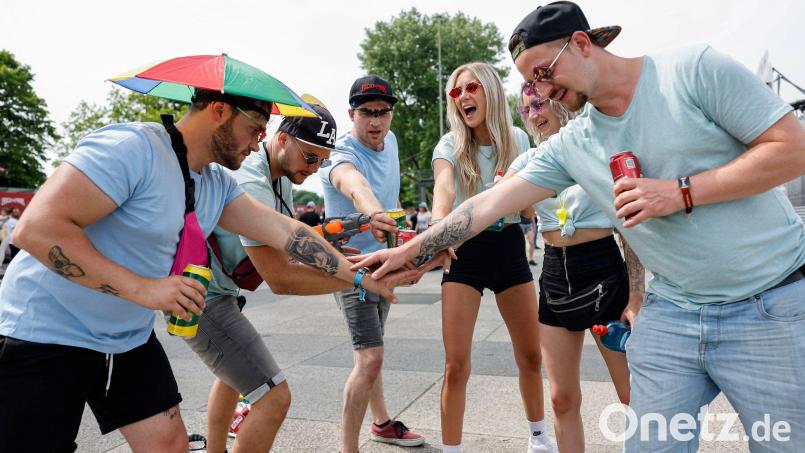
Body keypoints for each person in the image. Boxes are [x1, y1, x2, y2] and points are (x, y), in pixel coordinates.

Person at [354, 2, 805, 451]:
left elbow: (793, 148)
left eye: (544, 74)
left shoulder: (692, 69)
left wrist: (679, 192)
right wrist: (408, 252)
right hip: (677, 312)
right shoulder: (572, 144)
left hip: (768, 304)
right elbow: (488, 204)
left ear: (583, 44)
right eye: (531, 82)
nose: (542, 93)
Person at [0, 87, 411, 453]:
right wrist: (144, 290)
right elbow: (37, 228)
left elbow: (288, 233)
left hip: (123, 339)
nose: (258, 144)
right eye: (256, 129)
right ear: (218, 111)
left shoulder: (215, 183)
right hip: (44, 334)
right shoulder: (132, 147)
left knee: (171, 446)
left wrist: (360, 276)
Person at [430, 62, 555, 453]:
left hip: (507, 245)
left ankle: (538, 437)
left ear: (490, 91)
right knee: (456, 365)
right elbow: (443, 190)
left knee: (531, 356)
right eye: (456, 92)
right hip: (463, 249)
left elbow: (535, 198)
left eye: (471, 88)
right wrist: (437, 231)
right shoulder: (450, 144)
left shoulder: (518, 138)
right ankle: (452, 449)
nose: (463, 96)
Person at [509, 93, 642, 451]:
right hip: (554, 275)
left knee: (633, 394)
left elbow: (628, 226)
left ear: (561, 101)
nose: (533, 114)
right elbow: (498, 201)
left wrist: (636, 293)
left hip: (603, 268)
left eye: (540, 104)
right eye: (526, 108)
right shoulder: (528, 162)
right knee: (562, 399)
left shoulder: (597, 150)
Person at [319, 75, 425, 453]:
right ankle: (349, 448)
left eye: (383, 112)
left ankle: (381, 424)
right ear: (352, 113)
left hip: (386, 261)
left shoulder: (391, 141)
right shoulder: (338, 152)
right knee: (370, 357)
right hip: (350, 268)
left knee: (373, 349)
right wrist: (374, 214)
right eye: (367, 113)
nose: (376, 122)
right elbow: (353, 183)